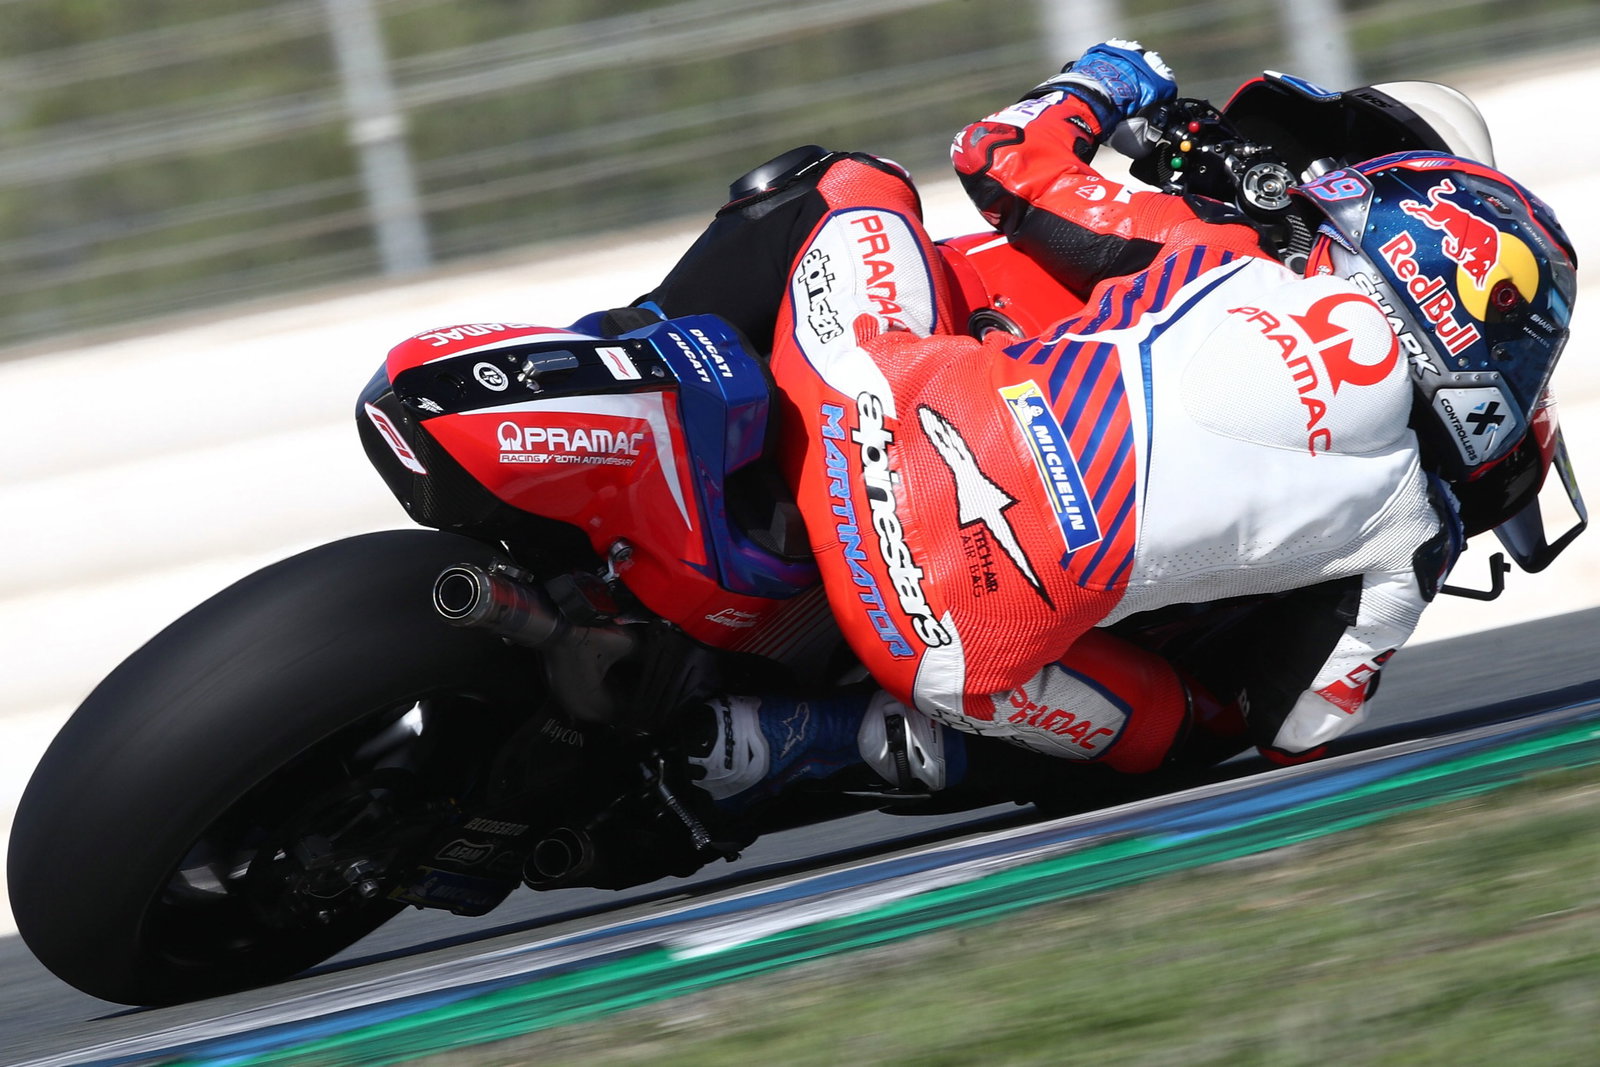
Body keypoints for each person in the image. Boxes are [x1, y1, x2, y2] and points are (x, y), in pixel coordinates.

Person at [633, 42, 1579, 810]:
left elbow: (995, 153)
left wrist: (1107, 78)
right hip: (947, 656)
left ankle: (635, 359)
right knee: (1196, 727)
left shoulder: (1230, 252)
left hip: (864, 433)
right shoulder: (1414, 528)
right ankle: (827, 738)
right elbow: (1296, 730)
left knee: (844, 181)